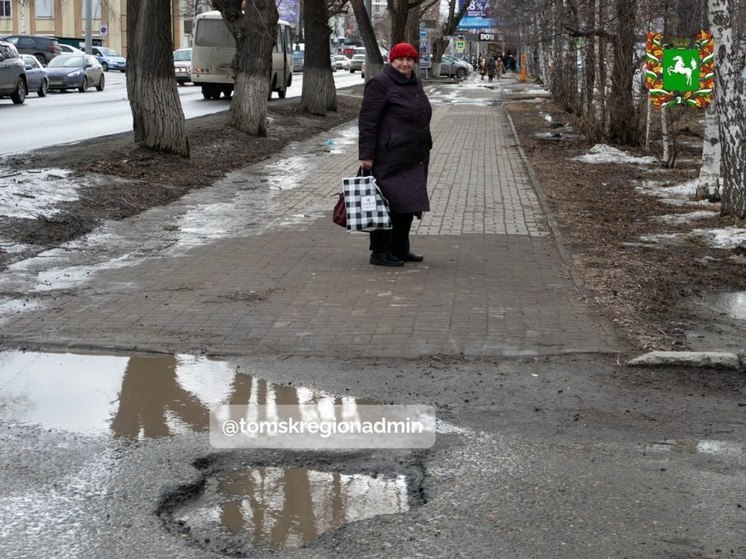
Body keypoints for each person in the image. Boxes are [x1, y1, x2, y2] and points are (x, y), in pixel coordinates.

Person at [358, 42, 433, 267]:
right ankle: (380, 252)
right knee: (385, 204)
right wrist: (367, 155)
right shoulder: (380, 84)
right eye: (400, 59)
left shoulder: (413, 82)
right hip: (388, 156)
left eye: (409, 59)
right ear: (391, 60)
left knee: (408, 204)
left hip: (413, 156)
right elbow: (368, 122)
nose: (405, 63)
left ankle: (400, 248)